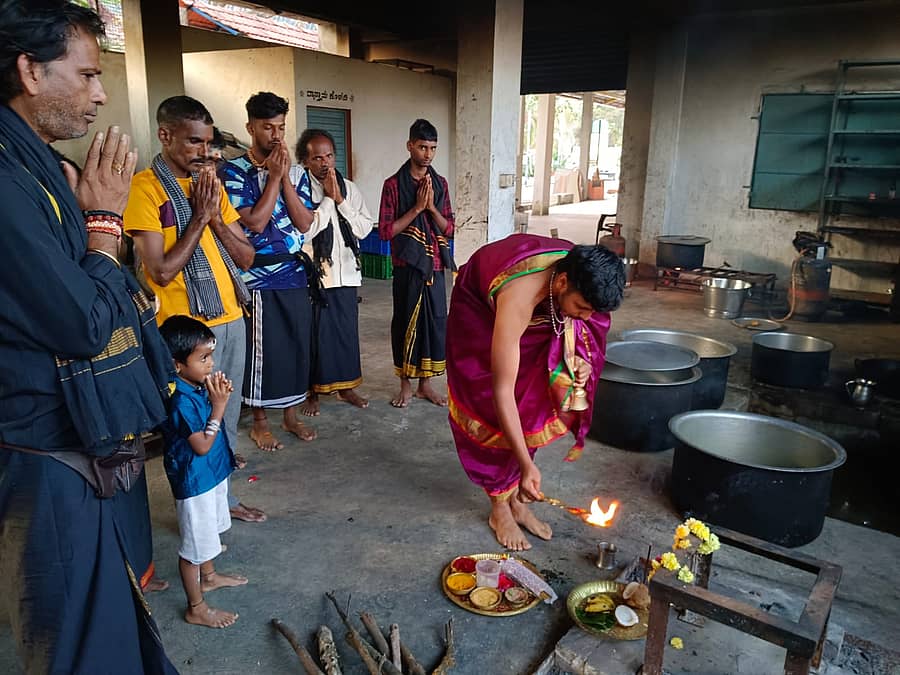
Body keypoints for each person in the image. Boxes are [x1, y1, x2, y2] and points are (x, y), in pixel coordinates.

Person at [0, 1, 177, 671]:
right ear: (29, 70)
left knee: (111, 626)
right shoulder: (6, 180)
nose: (101, 94)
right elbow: (79, 322)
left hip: (85, 443)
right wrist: (103, 226)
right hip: (45, 462)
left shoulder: (38, 162)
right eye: (87, 75)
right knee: (78, 641)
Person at [124, 95, 267, 523]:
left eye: (207, 143)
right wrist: (199, 219)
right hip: (184, 335)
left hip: (229, 319)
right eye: (193, 142)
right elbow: (161, 271)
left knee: (227, 415)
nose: (203, 153)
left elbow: (246, 258)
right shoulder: (145, 189)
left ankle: (223, 500)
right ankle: (196, 514)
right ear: (165, 136)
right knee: (191, 424)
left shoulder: (209, 188)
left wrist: (214, 215)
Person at [446, 234, 625, 551]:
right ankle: (499, 508)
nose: (586, 318)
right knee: (490, 409)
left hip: (544, 305)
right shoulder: (519, 297)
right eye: (582, 308)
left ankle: (515, 500)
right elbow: (501, 391)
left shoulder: (579, 274)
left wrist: (576, 361)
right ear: (562, 282)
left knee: (535, 401)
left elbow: (572, 326)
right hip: (480, 316)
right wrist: (526, 464)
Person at [220, 91, 318, 450]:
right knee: (262, 351)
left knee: (293, 345)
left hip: (293, 273)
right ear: (250, 127)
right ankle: (260, 422)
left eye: (280, 127)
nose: (276, 136)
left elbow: (304, 222)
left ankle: (290, 415)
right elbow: (256, 224)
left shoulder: (296, 172)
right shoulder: (232, 171)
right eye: (267, 127)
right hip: (256, 277)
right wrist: (274, 178)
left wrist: (287, 179)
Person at [159, 315, 248, 629]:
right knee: (193, 548)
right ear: (177, 364)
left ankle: (208, 577)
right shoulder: (179, 401)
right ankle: (195, 606)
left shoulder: (197, 386)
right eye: (204, 358)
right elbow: (200, 446)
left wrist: (216, 397)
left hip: (210, 475)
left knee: (208, 534)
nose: (211, 364)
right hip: (194, 480)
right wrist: (220, 405)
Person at [291, 128, 374, 415]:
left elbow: (363, 229)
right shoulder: (299, 190)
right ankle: (311, 392)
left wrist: (340, 201)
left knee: (345, 333)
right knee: (316, 335)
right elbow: (307, 229)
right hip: (317, 275)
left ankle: (346, 387)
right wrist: (327, 200)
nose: (325, 163)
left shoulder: (349, 188)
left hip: (347, 272)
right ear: (305, 161)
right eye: (317, 158)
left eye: (329, 156)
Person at [378, 118, 455, 408]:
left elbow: (449, 228)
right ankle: (406, 385)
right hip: (407, 265)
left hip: (434, 265)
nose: (428, 154)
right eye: (422, 147)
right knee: (406, 324)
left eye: (433, 148)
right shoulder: (393, 186)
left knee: (433, 325)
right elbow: (386, 231)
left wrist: (431, 207)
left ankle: (426, 385)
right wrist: (416, 209)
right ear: (410, 146)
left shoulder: (440, 184)